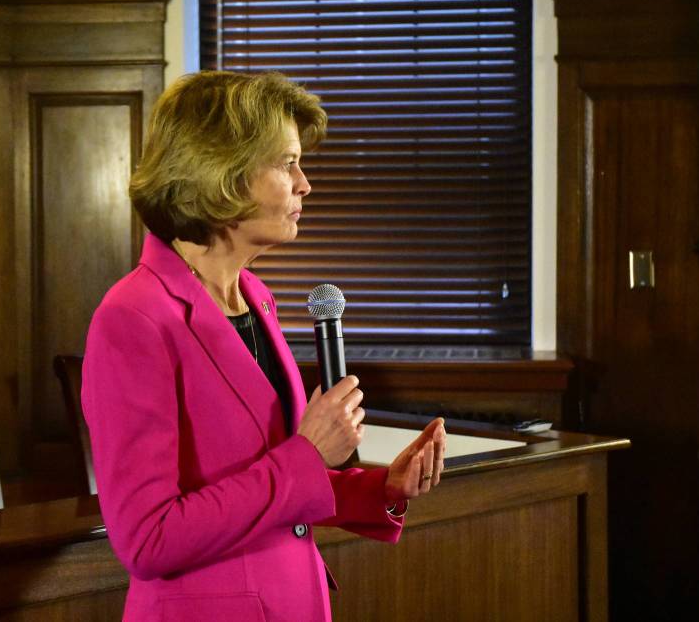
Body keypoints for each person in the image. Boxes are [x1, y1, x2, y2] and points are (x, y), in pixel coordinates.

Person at [81, 70, 447, 622]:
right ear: (222, 172)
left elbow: (273, 482)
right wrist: (308, 452)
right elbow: (147, 539)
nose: (304, 184)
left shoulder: (254, 297)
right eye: (286, 163)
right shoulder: (132, 318)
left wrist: (380, 488)